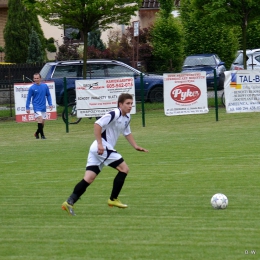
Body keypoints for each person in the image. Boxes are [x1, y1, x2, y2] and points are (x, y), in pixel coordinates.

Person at [62, 93, 148, 216]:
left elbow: (127, 133)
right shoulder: (114, 113)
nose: (130, 106)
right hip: (102, 147)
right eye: (127, 103)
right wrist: (100, 144)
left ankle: (69, 202)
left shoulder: (127, 117)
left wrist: (135, 146)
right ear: (120, 104)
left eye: (131, 103)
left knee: (89, 178)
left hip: (98, 149)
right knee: (124, 169)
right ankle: (113, 199)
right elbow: (97, 124)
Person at [26, 73, 53, 139]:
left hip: (43, 106)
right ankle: (43, 136)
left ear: (40, 78)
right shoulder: (32, 88)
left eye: (37, 78)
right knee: (40, 119)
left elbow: (48, 95)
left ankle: (37, 133)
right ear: (33, 79)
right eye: (35, 78)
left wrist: (50, 104)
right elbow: (28, 98)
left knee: (42, 123)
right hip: (36, 106)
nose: (36, 79)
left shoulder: (45, 86)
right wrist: (27, 107)